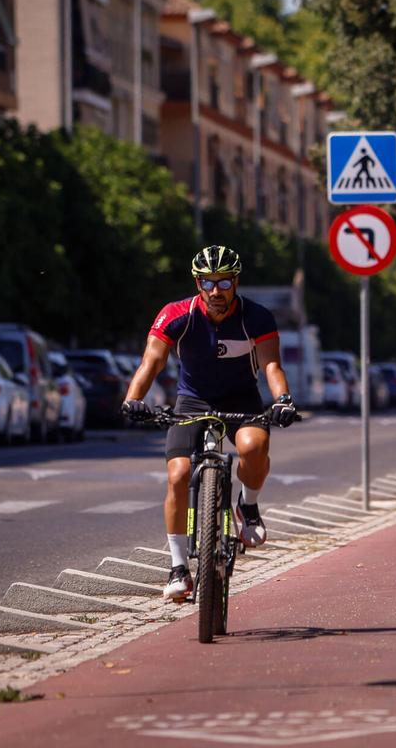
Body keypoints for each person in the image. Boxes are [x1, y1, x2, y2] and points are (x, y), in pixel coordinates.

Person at [122, 245, 297, 601]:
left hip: (241, 398)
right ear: (197, 283)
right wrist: (133, 399)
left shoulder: (256, 317)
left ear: (236, 282)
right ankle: (178, 567)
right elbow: (152, 361)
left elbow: (271, 366)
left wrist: (283, 400)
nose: (216, 291)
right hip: (192, 401)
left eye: (224, 283)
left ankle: (247, 506)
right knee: (178, 474)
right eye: (208, 282)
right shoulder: (176, 314)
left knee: (254, 446)